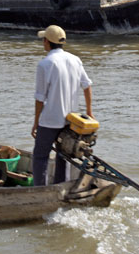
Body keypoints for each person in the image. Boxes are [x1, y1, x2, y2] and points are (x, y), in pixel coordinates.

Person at [31, 25, 93, 186]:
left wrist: (36, 122)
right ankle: (60, 187)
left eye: (43, 40)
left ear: (47, 42)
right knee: (63, 156)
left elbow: (39, 98)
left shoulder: (45, 64)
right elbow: (87, 86)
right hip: (71, 120)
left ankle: (39, 189)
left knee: (40, 156)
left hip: (50, 120)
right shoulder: (75, 60)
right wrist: (88, 112)